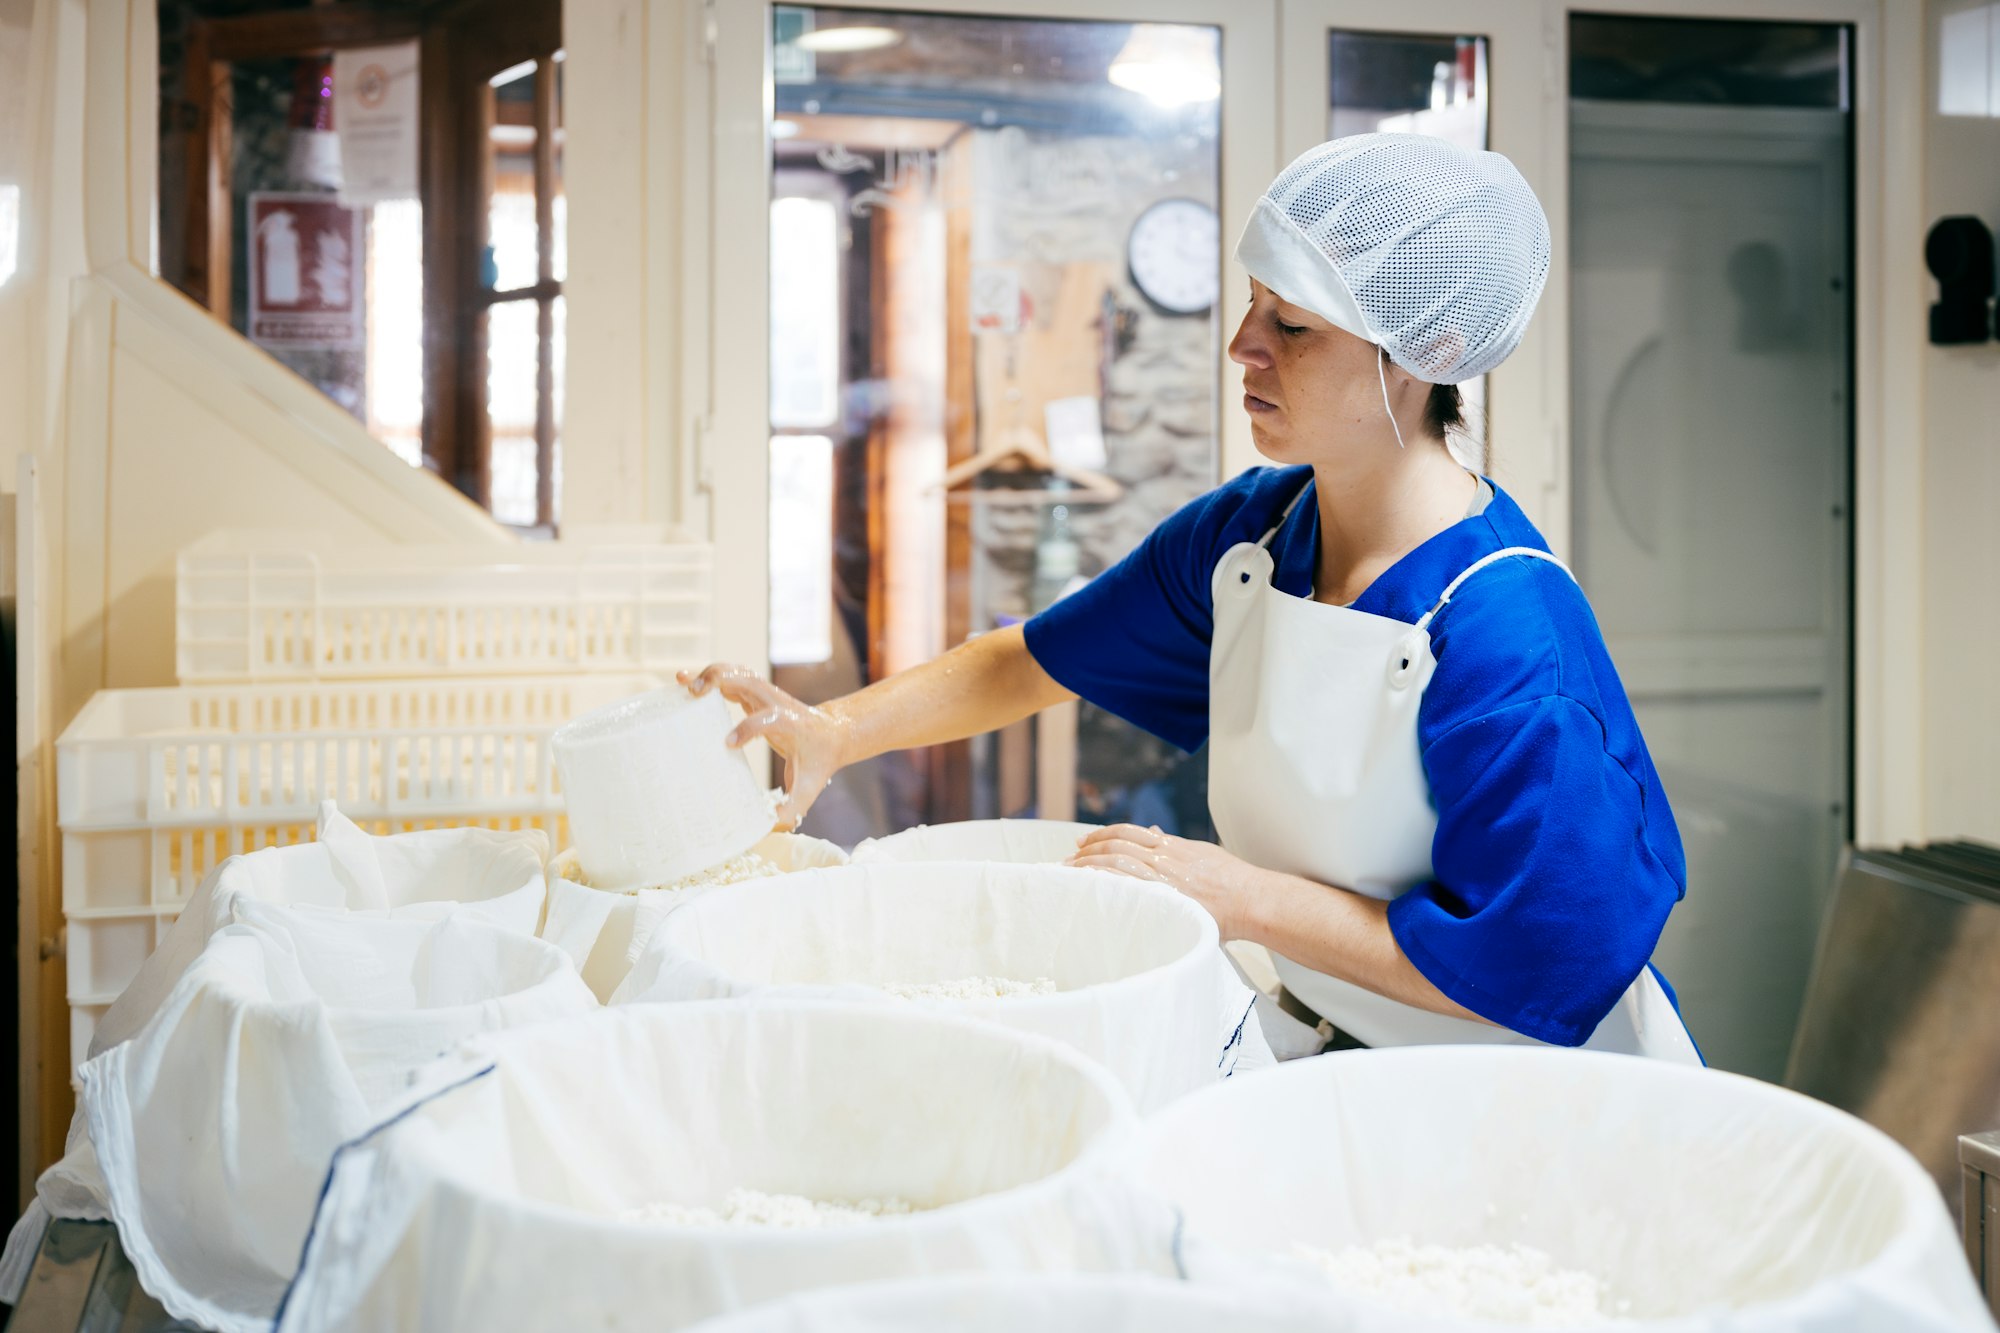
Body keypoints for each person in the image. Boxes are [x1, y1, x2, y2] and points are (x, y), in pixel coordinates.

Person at [684, 133, 1700, 1062]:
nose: (1241, 347)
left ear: (1422, 356)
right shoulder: (1252, 539)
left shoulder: (1512, 642)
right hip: (1353, 1051)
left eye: (1290, 326)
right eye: (1251, 306)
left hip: (1539, 1094)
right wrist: (830, 728)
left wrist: (1237, 894)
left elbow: (1526, 977)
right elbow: (1029, 660)